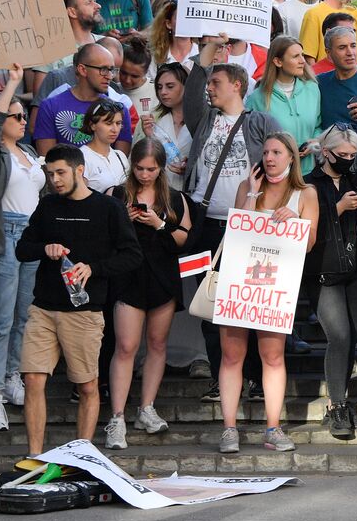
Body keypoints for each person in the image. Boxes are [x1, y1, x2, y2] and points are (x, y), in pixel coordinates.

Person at [17, 145, 142, 457]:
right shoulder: (47, 206)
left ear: (79, 170)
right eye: (50, 174)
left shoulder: (108, 208)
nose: (55, 180)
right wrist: (44, 248)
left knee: (87, 385)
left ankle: (83, 455)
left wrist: (94, 268)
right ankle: (34, 456)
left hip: (84, 311)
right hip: (43, 307)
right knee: (32, 379)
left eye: (60, 172)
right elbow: (22, 249)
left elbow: (132, 256)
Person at [183, 39, 282, 396]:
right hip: (203, 225)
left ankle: (253, 377)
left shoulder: (261, 121)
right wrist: (208, 50)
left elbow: (279, 157)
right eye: (210, 83)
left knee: (247, 305)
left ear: (238, 85)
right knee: (209, 304)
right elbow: (192, 90)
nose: (210, 89)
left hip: (246, 226)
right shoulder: (204, 118)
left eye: (217, 83)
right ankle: (218, 375)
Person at [218, 133, 318, 455]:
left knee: (273, 356)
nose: (270, 157)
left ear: (292, 157)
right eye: (266, 152)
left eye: (277, 152)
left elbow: (310, 242)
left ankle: (272, 428)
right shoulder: (247, 188)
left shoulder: (305, 193)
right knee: (232, 354)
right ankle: (229, 429)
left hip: (276, 286)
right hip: (240, 281)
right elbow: (235, 230)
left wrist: (297, 221)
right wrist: (250, 197)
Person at [103, 139, 192, 449]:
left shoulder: (175, 197)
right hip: (128, 275)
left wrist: (159, 223)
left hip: (162, 275)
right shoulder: (116, 194)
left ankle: (146, 408)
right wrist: (122, 221)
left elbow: (184, 238)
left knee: (157, 343)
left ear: (161, 168)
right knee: (126, 345)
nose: (144, 174)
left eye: (151, 169)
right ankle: (117, 417)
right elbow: (101, 235)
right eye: (139, 168)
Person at [0, 68, 44, 430]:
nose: (22, 121)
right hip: (7, 234)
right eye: (15, 116)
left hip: (33, 234)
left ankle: (13, 374)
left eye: (22, 116)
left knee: (24, 316)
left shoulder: (29, 151)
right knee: (0, 320)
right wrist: (14, 84)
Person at [306, 125, 357, 439]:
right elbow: (306, 232)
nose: (348, 160)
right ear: (326, 152)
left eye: (352, 155)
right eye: (342, 155)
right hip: (322, 270)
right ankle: (336, 406)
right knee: (339, 335)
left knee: (349, 336)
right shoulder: (309, 184)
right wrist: (338, 208)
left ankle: (342, 400)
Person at [32, 43, 134, 154]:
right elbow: (47, 160)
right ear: (82, 69)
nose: (109, 76)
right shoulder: (50, 107)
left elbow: (121, 164)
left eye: (112, 70)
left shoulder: (119, 110)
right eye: (103, 69)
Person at [247, 36, 320, 173]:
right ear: (278, 61)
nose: (303, 61)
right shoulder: (257, 98)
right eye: (295, 56)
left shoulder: (313, 89)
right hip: (274, 176)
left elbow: (318, 125)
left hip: (308, 174)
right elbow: (252, 141)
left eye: (302, 55)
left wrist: (315, 142)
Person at [137, 62, 191, 174]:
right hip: (160, 187)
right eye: (159, 87)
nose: (163, 92)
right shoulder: (150, 119)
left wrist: (191, 167)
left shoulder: (202, 120)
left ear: (187, 86)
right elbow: (137, 161)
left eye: (170, 86)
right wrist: (149, 137)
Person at [79, 99, 130, 194]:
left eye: (118, 123)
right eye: (108, 123)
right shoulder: (81, 157)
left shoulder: (120, 156)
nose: (115, 129)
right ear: (92, 125)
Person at [149, 1, 198, 70]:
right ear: (169, 24)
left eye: (189, 16)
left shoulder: (202, 54)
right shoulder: (156, 56)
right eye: (180, 17)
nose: (186, 21)